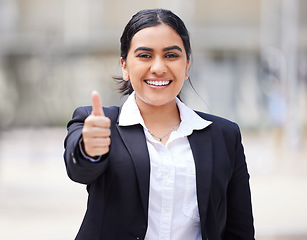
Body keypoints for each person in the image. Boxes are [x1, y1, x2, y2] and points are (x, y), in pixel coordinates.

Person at [64, 8, 255, 240]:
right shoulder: (98, 124)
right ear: (124, 66)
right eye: (145, 55)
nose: (158, 67)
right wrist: (89, 150)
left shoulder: (225, 136)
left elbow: (239, 230)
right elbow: (80, 169)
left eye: (171, 55)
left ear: (187, 65)